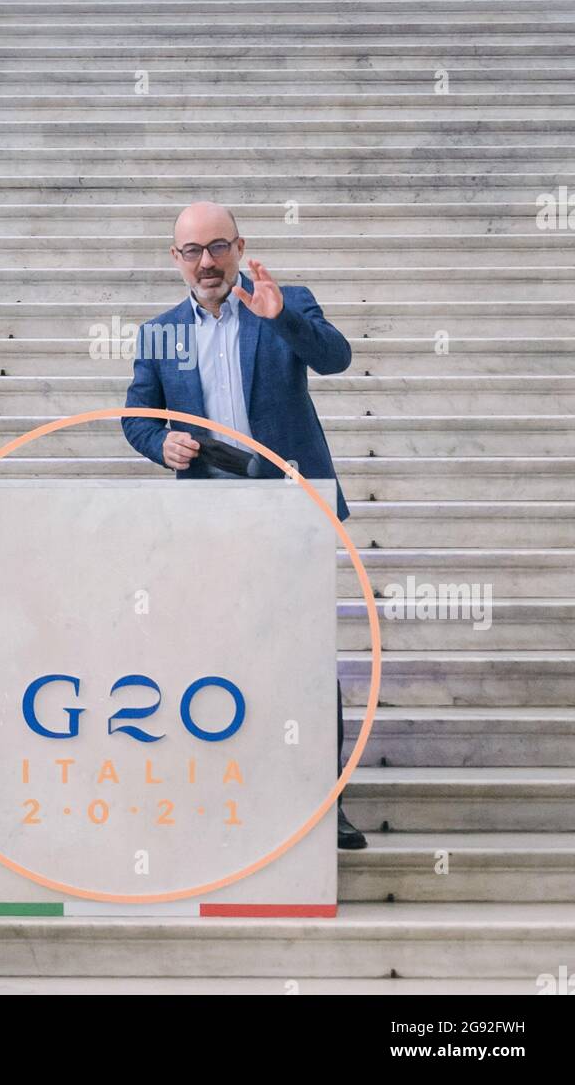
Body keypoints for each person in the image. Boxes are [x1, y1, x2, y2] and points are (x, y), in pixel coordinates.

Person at [122, 201, 367, 851]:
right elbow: (136, 417)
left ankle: (323, 801)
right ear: (176, 259)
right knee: (221, 656)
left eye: (218, 247)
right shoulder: (160, 333)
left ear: (239, 247)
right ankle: (237, 794)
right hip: (211, 514)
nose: (207, 262)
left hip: (294, 508)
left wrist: (280, 315)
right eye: (192, 251)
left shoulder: (283, 301)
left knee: (309, 660)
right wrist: (160, 444)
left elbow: (336, 358)